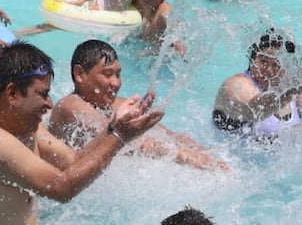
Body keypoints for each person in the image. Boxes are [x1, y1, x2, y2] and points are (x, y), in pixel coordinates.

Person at [0, 41, 163, 225]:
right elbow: (62, 188)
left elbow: (73, 161)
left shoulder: (22, 123)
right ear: (12, 93)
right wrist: (120, 138)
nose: (50, 104)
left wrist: (115, 126)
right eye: (42, 93)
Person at [48, 40, 225, 171]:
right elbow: (130, 141)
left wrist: (207, 155)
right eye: (108, 74)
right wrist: (189, 158)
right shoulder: (70, 105)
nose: (116, 83)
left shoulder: (113, 104)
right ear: (80, 74)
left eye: (118, 75)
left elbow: (167, 135)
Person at [213, 30, 302, 141]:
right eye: (263, 61)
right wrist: (288, 94)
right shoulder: (237, 85)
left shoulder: (295, 92)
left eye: (276, 65)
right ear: (252, 59)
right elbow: (255, 109)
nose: (269, 70)